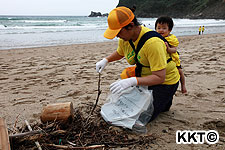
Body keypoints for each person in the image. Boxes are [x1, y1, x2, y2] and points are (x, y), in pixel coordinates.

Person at [96, 6, 180, 121]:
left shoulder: (153, 43)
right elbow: (121, 52)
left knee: (140, 117)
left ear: (130, 26)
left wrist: (132, 81)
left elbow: (160, 77)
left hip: (165, 82)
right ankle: (161, 102)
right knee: (123, 108)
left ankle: (165, 98)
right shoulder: (125, 38)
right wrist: (106, 60)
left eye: (118, 32)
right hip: (145, 78)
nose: (116, 36)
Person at [155, 16, 187, 93]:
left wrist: (168, 49)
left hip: (173, 58)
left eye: (164, 28)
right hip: (162, 59)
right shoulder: (155, 38)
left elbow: (174, 49)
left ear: (170, 30)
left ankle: (183, 85)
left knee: (179, 71)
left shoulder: (171, 39)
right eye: (159, 28)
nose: (161, 30)